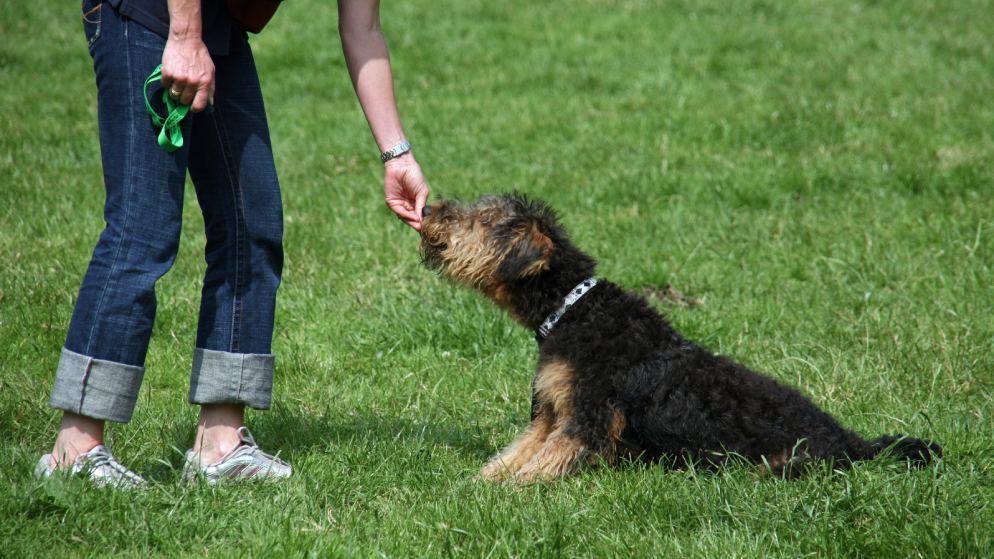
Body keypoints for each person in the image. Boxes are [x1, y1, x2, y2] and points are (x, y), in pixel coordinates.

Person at [36, 0, 429, 486]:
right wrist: (183, 36)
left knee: (251, 222)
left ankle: (219, 446)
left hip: (219, 28)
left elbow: (363, 27)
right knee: (143, 228)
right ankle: (73, 451)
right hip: (149, 14)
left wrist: (397, 155)